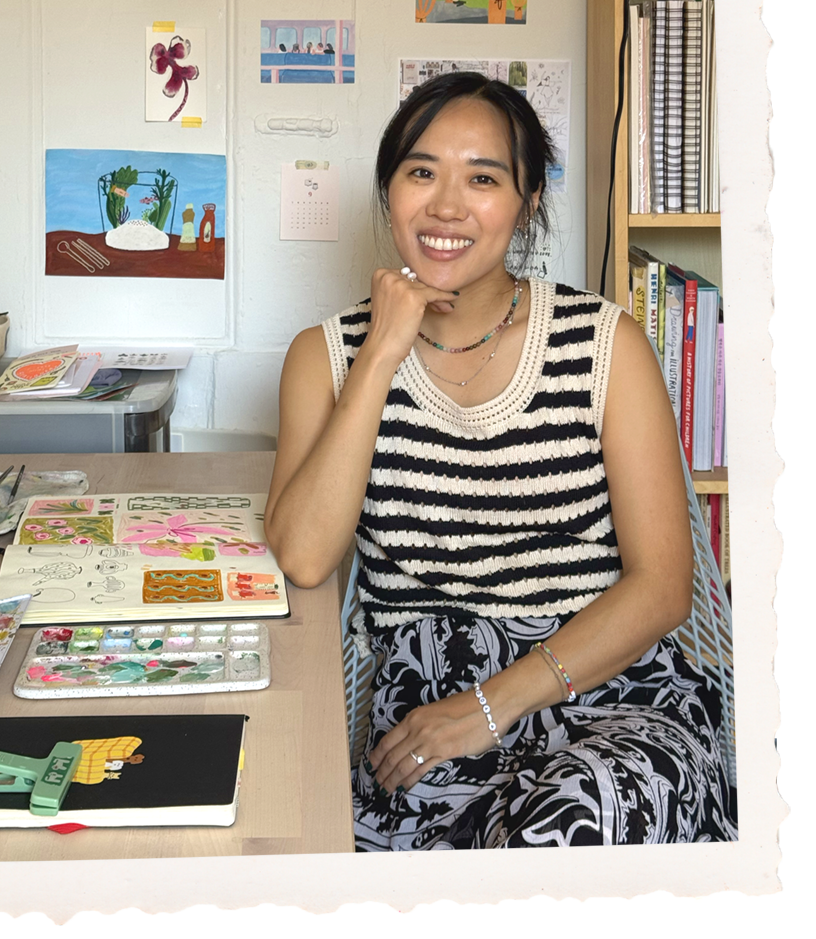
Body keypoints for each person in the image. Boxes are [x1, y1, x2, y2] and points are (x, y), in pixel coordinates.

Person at [266, 71, 736, 850]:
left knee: (587, 813)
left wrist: (489, 706)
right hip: (422, 711)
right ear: (388, 192)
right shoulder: (326, 357)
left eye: (482, 178)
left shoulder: (604, 344)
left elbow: (662, 589)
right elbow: (306, 557)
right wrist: (383, 349)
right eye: (421, 172)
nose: (446, 206)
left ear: (527, 203)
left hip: (606, 684)